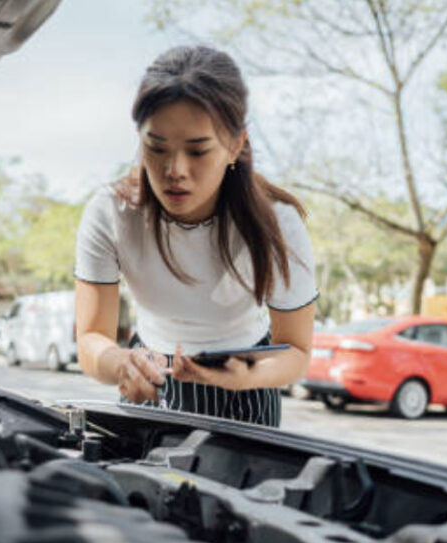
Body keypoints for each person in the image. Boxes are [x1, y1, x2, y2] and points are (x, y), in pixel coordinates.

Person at [73, 45, 317, 427]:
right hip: (151, 373)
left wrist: (248, 375)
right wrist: (121, 364)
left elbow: (297, 352)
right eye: (156, 148)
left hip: (247, 385)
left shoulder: (278, 225)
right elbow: (90, 338)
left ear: (236, 145)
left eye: (198, 151)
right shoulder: (110, 213)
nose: (175, 170)